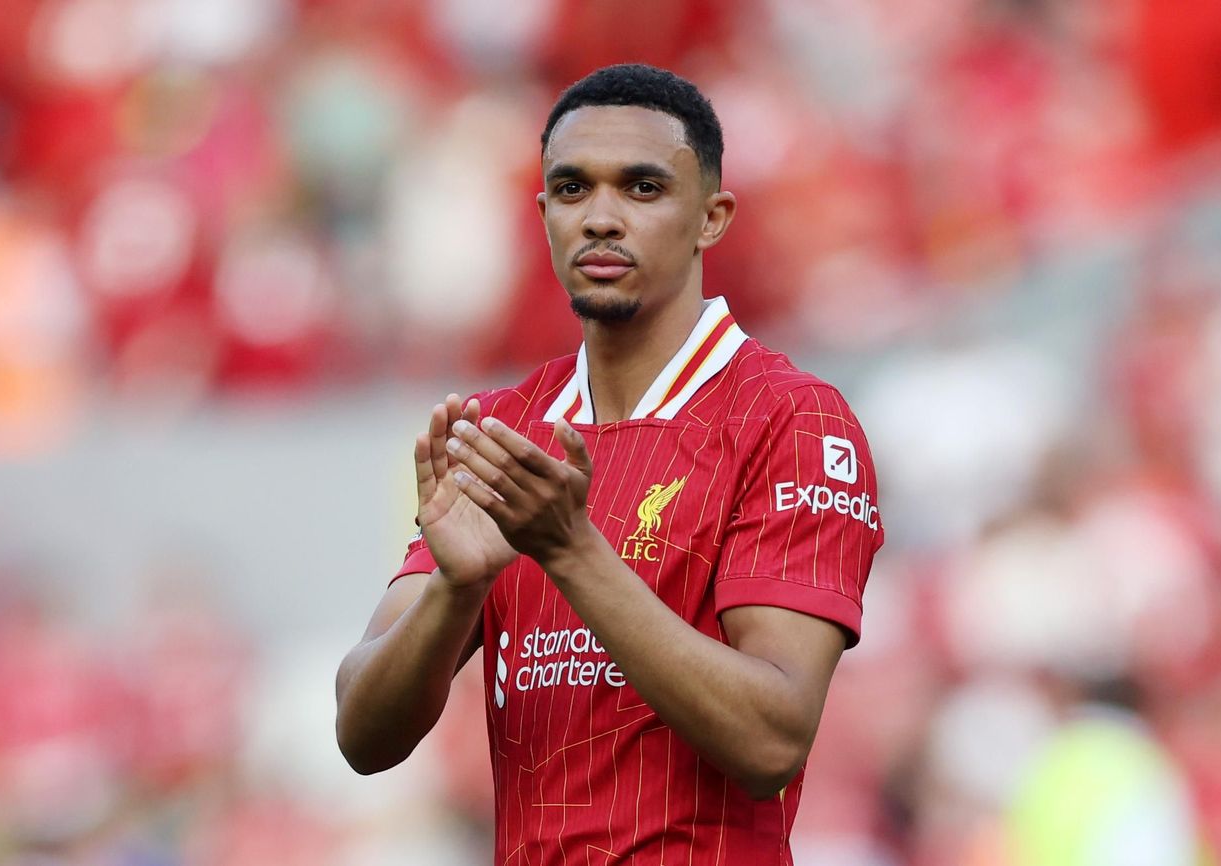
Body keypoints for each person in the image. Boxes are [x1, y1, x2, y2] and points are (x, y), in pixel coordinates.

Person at [335, 63, 884, 865]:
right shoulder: (504, 428)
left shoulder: (791, 418)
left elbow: (772, 741)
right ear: (543, 213)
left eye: (642, 188)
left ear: (711, 217)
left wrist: (568, 549)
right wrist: (456, 590)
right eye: (571, 189)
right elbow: (362, 733)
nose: (600, 217)